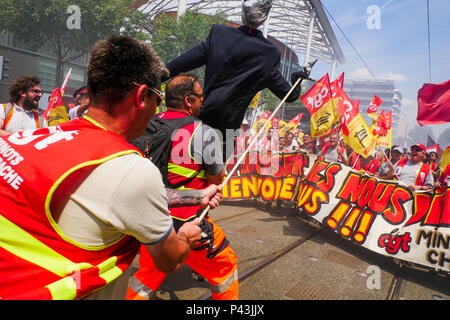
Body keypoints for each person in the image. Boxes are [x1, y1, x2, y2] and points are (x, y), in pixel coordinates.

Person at [0, 36, 228, 300]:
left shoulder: (29, 139)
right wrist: (187, 237)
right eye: (157, 100)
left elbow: (109, 194)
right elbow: (170, 260)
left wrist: (198, 196)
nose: (157, 110)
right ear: (142, 96)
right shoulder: (132, 170)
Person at [127, 74, 239, 300]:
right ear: (188, 101)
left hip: (152, 220)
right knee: (225, 269)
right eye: (200, 97)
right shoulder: (205, 133)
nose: (203, 102)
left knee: (149, 273)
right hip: (188, 221)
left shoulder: (146, 125)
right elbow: (217, 181)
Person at [163, 0, 309, 160]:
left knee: (179, 174)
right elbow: (290, 95)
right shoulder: (269, 53)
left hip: (196, 124)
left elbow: (177, 65)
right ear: (265, 17)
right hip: (225, 135)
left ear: (242, 12)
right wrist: (297, 78)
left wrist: (153, 76)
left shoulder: (219, 34)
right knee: (211, 181)